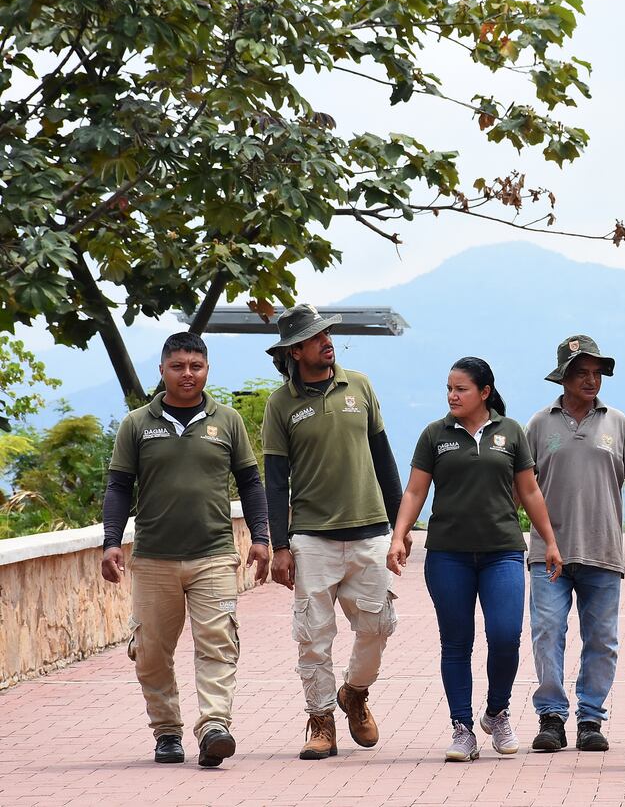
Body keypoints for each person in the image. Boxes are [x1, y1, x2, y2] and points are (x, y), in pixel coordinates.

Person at [101, 332, 270, 767]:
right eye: (178, 366)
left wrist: (262, 537)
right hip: (154, 557)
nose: (187, 374)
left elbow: (251, 482)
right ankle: (167, 731)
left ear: (207, 369)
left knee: (217, 643)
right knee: (152, 651)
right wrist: (111, 542)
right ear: (162, 371)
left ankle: (214, 726)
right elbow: (119, 486)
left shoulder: (226, 420)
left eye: (196, 366)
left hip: (213, 553)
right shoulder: (138, 423)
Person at [388, 357, 564, 762]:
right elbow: (415, 492)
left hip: (502, 552)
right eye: (449, 388)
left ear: (484, 393)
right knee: (456, 642)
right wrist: (400, 536)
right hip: (448, 555)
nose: (452, 395)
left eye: (461, 389)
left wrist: (550, 542)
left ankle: (497, 711)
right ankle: (462, 728)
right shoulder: (435, 435)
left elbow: (531, 492)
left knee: (505, 636)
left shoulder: (511, 432)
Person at [262, 305, 404, 760]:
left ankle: (355, 694)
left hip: (371, 531)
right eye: (315, 336)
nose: (327, 341)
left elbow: (383, 456)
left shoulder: (359, 385)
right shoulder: (280, 403)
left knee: (378, 624)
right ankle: (321, 721)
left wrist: (401, 526)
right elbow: (274, 478)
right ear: (295, 351)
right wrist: (280, 545)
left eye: (327, 332)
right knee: (312, 634)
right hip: (311, 536)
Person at [524, 336, 625, 753]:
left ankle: (591, 718)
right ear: (563, 377)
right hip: (548, 553)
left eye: (597, 373)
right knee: (546, 633)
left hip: (603, 551)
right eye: (582, 373)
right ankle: (552, 717)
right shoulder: (539, 424)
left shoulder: (618, 423)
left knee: (602, 639)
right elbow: (521, 487)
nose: (592, 380)